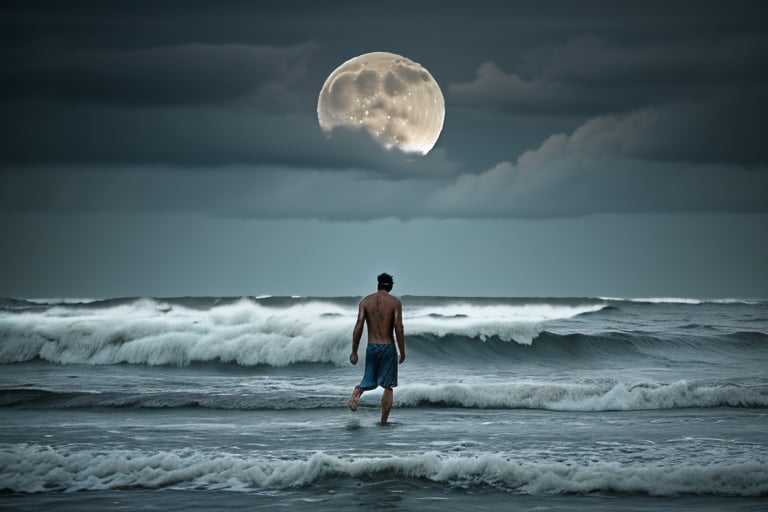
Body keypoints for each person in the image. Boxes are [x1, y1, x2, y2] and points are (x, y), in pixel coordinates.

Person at [347, 272, 405, 425]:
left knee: (369, 380)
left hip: (371, 347)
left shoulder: (365, 302)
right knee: (388, 386)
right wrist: (402, 351)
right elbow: (399, 327)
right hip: (388, 347)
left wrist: (354, 351)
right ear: (390, 286)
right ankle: (383, 421)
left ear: (378, 285)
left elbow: (358, 327)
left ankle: (357, 392)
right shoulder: (395, 303)